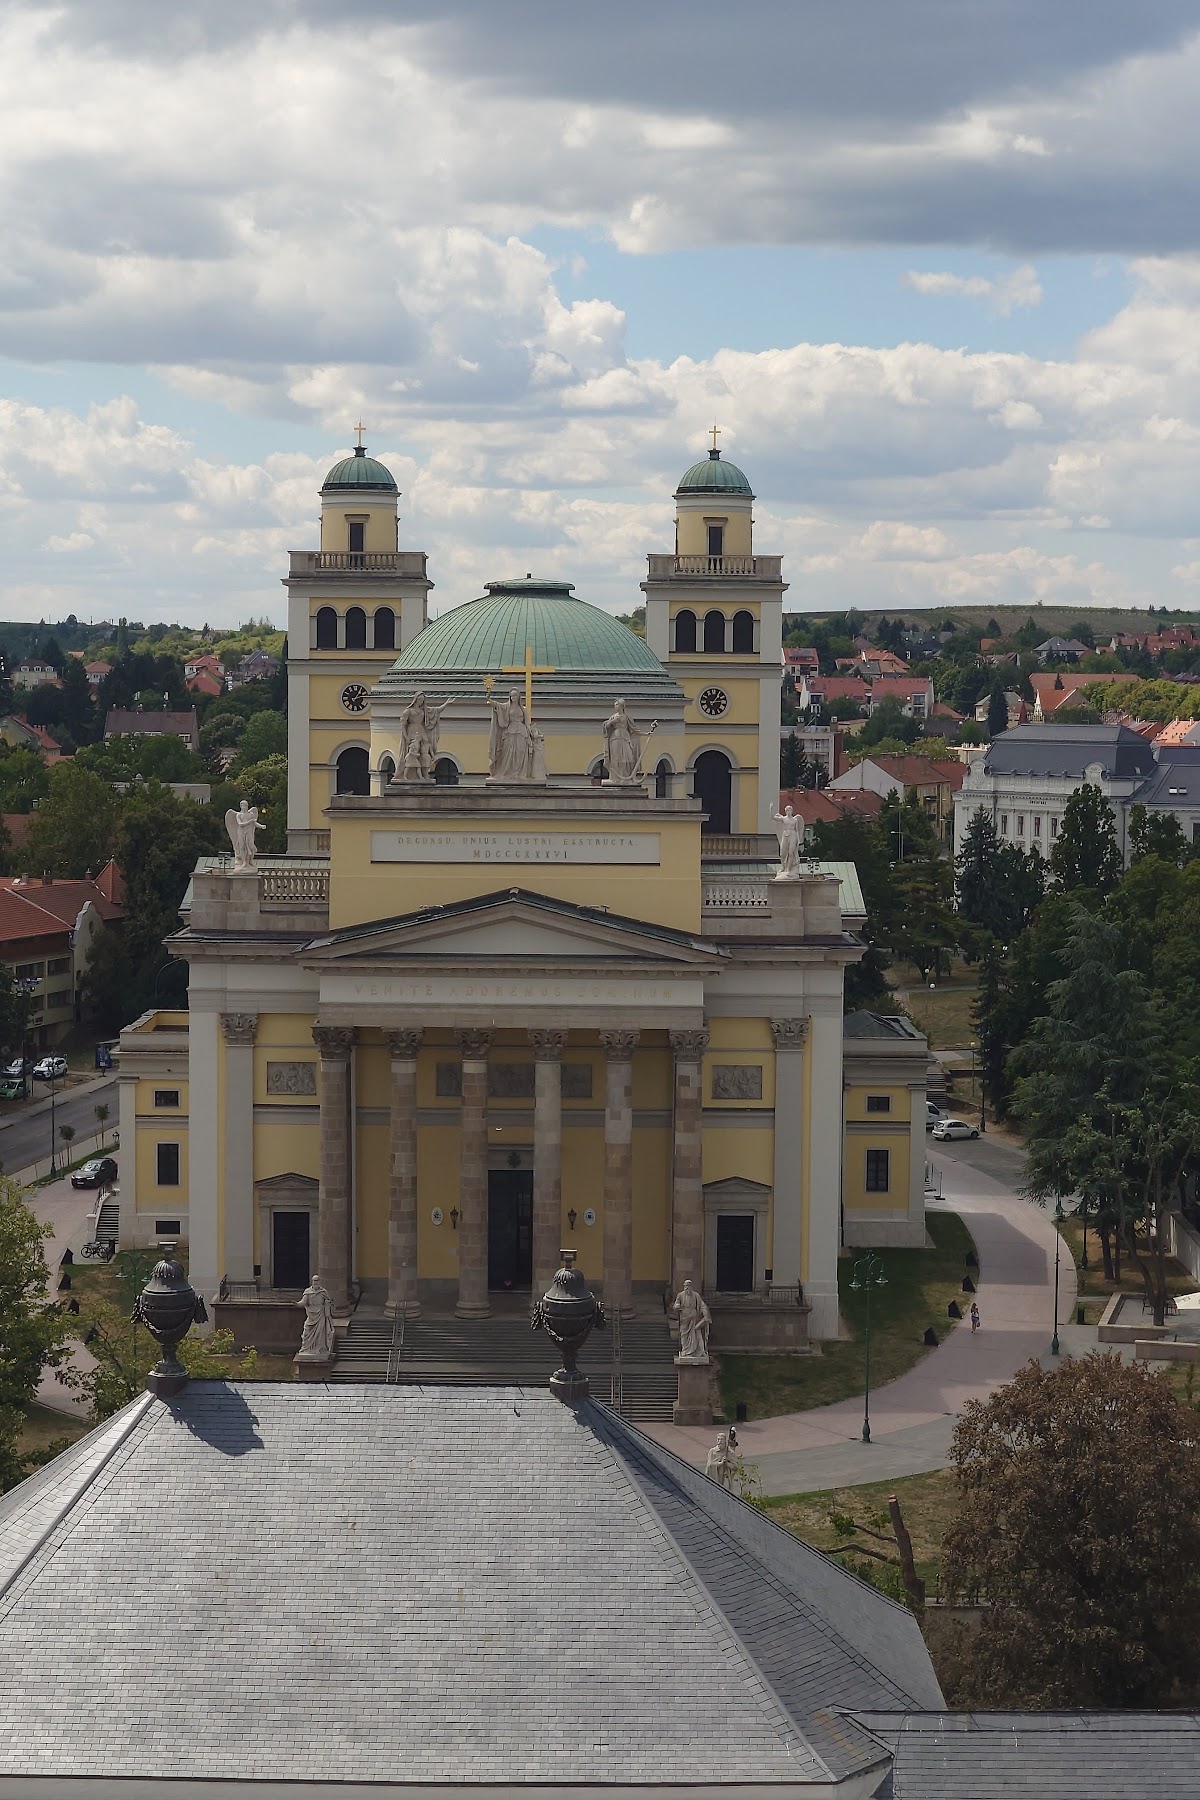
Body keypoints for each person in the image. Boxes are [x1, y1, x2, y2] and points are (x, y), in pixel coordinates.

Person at [399, 692, 452, 781]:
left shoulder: (424, 710)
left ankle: (424, 774)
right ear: (415, 700)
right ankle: (409, 774)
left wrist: (446, 703)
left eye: (422, 700)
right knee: (413, 750)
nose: (421, 702)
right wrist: (406, 737)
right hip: (412, 731)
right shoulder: (408, 711)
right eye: (420, 700)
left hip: (421, 731)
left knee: (425, 751)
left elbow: (437, 710)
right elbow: (403, 725)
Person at [486, 690, 534, 780]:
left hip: (521, 732)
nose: (513, 698)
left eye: (515, 695)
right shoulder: (506, 707)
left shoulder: (523, 709)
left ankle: (519, 773)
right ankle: (507, 772)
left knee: (520, 752)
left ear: (518, 697)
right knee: (508, 752)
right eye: (511, 696)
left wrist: (531, 733)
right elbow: (497, 705)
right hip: (510, 731)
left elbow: (527, 722)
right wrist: (489, 699)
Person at [602, 697, 651, 783]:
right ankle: (615, 778)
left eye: (616, 705)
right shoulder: (613, 717)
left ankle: (626, 776)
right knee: (615, 758)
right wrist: (612, 722)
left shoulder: (627, 717)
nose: (615, 707)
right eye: (615, 705)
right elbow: (606, 727)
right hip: (615, 738)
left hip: (625, 738)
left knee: (628, 757)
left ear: (621, 706)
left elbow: (634, 729)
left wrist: (646, 733)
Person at [671, 1278, 713, 1364]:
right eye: (686, 1286)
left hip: (694, 1317)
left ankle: (695, 1351)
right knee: (684, 1334)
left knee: (695, 1334)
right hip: (684, 1318)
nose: (687, 1287)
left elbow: (702, 1305)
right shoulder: (680, 1295)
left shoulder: (696, 1295)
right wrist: (677, 1306)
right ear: (684, 1286)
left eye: (688, 1286)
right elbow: (676, 1303)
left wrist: (705, 1312)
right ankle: (685, 1351)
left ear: (691, 1287)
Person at [297, 1275, 335, 1360]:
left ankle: (319, 1349)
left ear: (319, 1282)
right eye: (314, 1281)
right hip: (311, 1316)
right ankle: (307, 1349)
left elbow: (330, 1302)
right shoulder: (308, 1292)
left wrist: (328, 1304)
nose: (316, 1282)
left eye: (317, 1281)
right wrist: (297, 1304)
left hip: (320, 1316)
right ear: (312, 1282)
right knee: (306, 1331)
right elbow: (303, 1302)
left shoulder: (323, 1292)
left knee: (320, 1334)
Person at [225, 799, 265, 871]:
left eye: (245, 805)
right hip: (241, 832)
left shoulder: (251, 814)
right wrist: (250, 821)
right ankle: (244, 862)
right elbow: (240, 824)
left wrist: (261, 826)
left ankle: (250, 861)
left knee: (251, 847)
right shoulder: (239, 815)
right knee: (242, 847)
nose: (244, 807)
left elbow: (254, 823)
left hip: (249, 832)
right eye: (242, 805)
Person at [773, 803, 804, 880]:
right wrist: (771, 809)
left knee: (791, 852)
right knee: (782, 853)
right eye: (787, 810)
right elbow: (773, 818)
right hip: (785, 834)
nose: (789, 811)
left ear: (792, 811)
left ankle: (788, 869)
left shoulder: (795, 820)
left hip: (793, 835)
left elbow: (797, 830)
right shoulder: (783, 818)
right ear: (785, 811)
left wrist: (798, 840)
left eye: (790, 810)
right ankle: (783, 867)